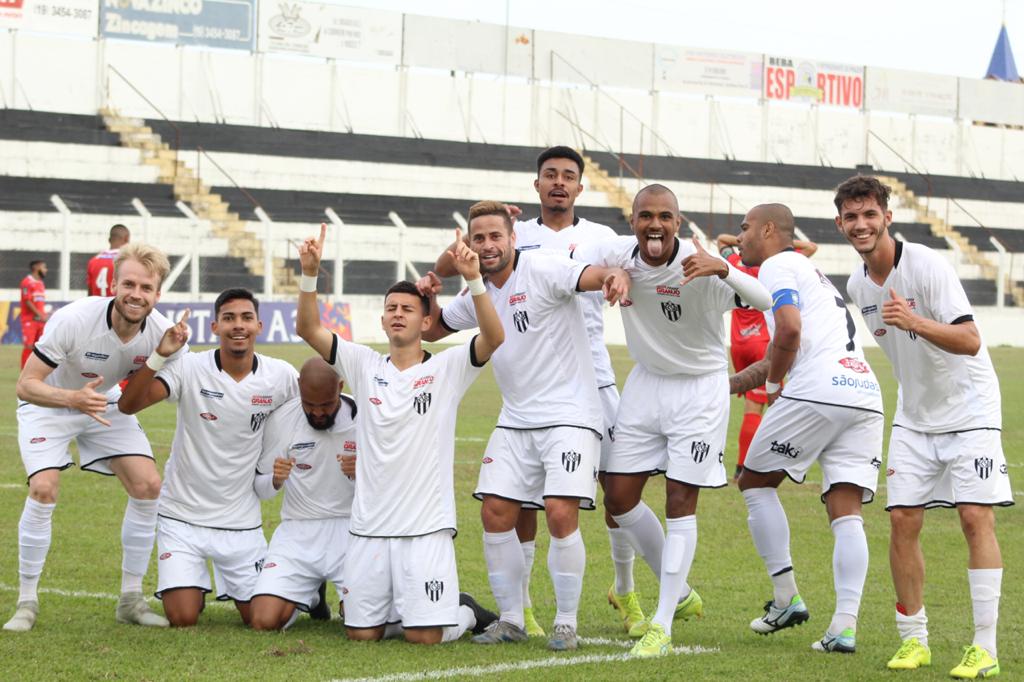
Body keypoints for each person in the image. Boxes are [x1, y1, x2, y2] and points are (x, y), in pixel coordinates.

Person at [426, 146, 640, 637]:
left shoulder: (542, 266)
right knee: (495, 510)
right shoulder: (477, 292)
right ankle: (513, 619)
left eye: (494, 235)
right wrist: (428, 290)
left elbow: (588, 275)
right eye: (477, 238)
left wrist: (612, 275)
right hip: (517, 416)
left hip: (570, 414)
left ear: (511, 236)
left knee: (562, 509)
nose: (486, 244)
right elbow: (433, 330)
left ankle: (566, 622)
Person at [573, 185, 771, 658]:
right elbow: (586, 260)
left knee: (680, 500)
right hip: (645, 385)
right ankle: (678, 591)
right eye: (646, 216)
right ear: (634, 220)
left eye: (665, 217)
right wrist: (615, 273)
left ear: (678, 223)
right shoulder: (622, 252)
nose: (654, 225)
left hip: (699, 390)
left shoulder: (701, 267)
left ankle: (662, 622)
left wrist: (725, 267)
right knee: (618, 496)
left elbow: (762, 300)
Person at [295, 223, 504, 645]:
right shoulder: (364, 365)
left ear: (426, 320)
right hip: (369, 526)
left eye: (407, 309)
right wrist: (309, 273)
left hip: (426, 527)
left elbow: (494, 336)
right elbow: (308, 330)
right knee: (360, 634)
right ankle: (409, 610)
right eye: (391, 308)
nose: (397, 314)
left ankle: (462, 610)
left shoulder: (445, 368)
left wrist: (474, 279)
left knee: (425, 638)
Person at [838, 175, 1012, 678]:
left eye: (870, 214)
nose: (862, 224)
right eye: (852, 217)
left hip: (971, 409)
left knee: (975, 517)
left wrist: (916, 322)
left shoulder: (927, 266)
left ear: (887, 217)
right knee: (901, 521)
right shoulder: (856, 284)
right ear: (840, 224)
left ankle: (985, 647)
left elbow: (970, 340)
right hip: (915, 416)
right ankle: (915, 640)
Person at [729, 203, 883, 655]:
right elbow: (792, 342)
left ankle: (786, 598)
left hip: (820, 390)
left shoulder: (779, 263)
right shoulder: (810, 272)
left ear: (769, 229)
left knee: (754, 482)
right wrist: (733, 383)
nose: (741, 236)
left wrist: (775, 385)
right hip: (863, 390)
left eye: (745, 227)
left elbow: (789, 332)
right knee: (846, 508)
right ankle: (844, 627)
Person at [4, 244, 181, 632]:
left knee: (149, 485)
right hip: (49, 403)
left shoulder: (160, 332)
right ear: (114, 284)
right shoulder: (75, 319)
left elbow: (188, 381)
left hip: (104, 403)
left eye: (146, 287)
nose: (137, 294)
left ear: (157, 293)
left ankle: (131, 599)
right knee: (44, 489)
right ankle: (26, 602)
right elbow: (25, 385)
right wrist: (72, 398)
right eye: (129, 283)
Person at [118, 288, 299, 628]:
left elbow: (319, 406)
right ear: (215, 326)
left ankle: (309, 587)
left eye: (246, 318)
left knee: (265, 622)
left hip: (241, 522)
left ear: (259, 325)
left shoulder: (282, 376)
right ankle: (190, 586)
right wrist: (160, 354)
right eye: (228, 318)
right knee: (182, 617)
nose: (238, 326)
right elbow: (128, 405)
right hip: (182, 518)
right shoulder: (189, 367)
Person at [249, 357, 358, 630]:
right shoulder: (283, 420)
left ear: (340, 387)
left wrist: (363, 474)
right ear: (299, 388)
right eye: (310, 405)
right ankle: (310, 595)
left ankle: (320, 593)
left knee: (362, 621)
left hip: (353, 532)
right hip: (297, 533)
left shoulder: (367, 417)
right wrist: (274, 480)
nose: (318, 413)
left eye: (326, 405)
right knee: (263, 621)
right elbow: (260, 489)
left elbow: (390, 488)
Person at [717, 234, 817, 481]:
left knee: (752, 406)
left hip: (737, 343)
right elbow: (811, 247)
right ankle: (759, 465)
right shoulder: (770, 268)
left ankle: (745, 466)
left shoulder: (735, 265)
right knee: (771, 405)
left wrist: (740, 240)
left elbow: (721, 241)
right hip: (761, 344)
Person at [19, 260, 48, 369]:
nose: (46, 270)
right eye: (44, 267)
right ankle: (24, 371)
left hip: (41, 321)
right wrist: (40, 315)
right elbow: (27, 301)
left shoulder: (40, 283)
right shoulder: (26, 282)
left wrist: (43, 315)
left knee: (40, 348)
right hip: (29, 320)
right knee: (29, 346)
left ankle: (36, 371)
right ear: (37, 267)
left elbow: (39, 303)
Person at [88, 224, 131, 297]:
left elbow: (90, 293)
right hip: (115, 306)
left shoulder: (94, 260)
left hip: (97, 306)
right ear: (126, 239)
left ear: (109, 240)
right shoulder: (126, 261)